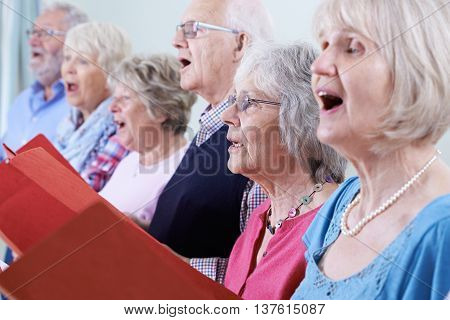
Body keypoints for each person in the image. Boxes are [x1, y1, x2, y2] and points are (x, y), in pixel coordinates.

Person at [292, 0, 450, 300]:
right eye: (324, 44)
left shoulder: (443, 230)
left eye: (352, 47)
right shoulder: (342, 203)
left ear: (412, 70)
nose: (319, 65)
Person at [155, 0, 273, 282]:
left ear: (240, 43)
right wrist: (141, 230)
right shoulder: (209, 126)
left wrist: (176, 267)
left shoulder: (259, 138)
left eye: (192, 30)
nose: (176, 41)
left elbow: (263, 276)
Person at [221, 42, 347, 299]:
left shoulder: (335, 224)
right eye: (233, 101)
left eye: (246, 102)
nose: (227, 115)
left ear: (297, 119)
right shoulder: (259, 219)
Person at [100, 54, 197, 229]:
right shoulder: (129, 162)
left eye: (126, 98)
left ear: (161, 110)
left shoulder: (185, 170)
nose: (112, 107)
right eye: (114, 99)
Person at [0, 2, 88, 160]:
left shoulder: (84, 103)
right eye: (33, 32)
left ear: (75, 43)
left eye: (46, 32)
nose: (32, 41)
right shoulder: (21, 101)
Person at [57, 22, 132, 191]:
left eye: (82, 61)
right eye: (67, 58)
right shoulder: (68, 123)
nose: (69, 69)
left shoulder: (120, 128)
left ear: (110, 74)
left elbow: (84, 194)